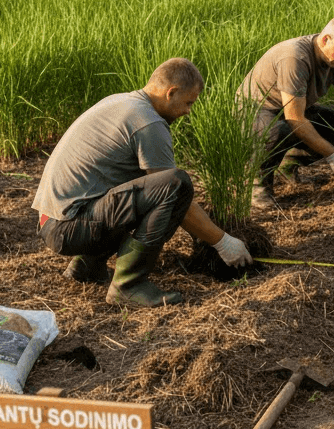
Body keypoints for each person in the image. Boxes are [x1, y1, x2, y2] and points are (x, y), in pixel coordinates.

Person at [33, 58, 252, 308]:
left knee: (140, 187)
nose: (188, 111)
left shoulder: (120, 101)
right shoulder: (148, 122)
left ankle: (88, 265)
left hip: (51, 221)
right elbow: (172, 193)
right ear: (171, 93)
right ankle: (128, 285)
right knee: (175, 184)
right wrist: (222, 241)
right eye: (189, 102)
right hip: (70, 229)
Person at [238, 15, 334, 211]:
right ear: (326, 40)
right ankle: (256, 187)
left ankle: (288, 166)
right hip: (255, 112)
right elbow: (295, 119)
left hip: (290, 110)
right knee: (276, 132)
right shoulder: (295, 58)